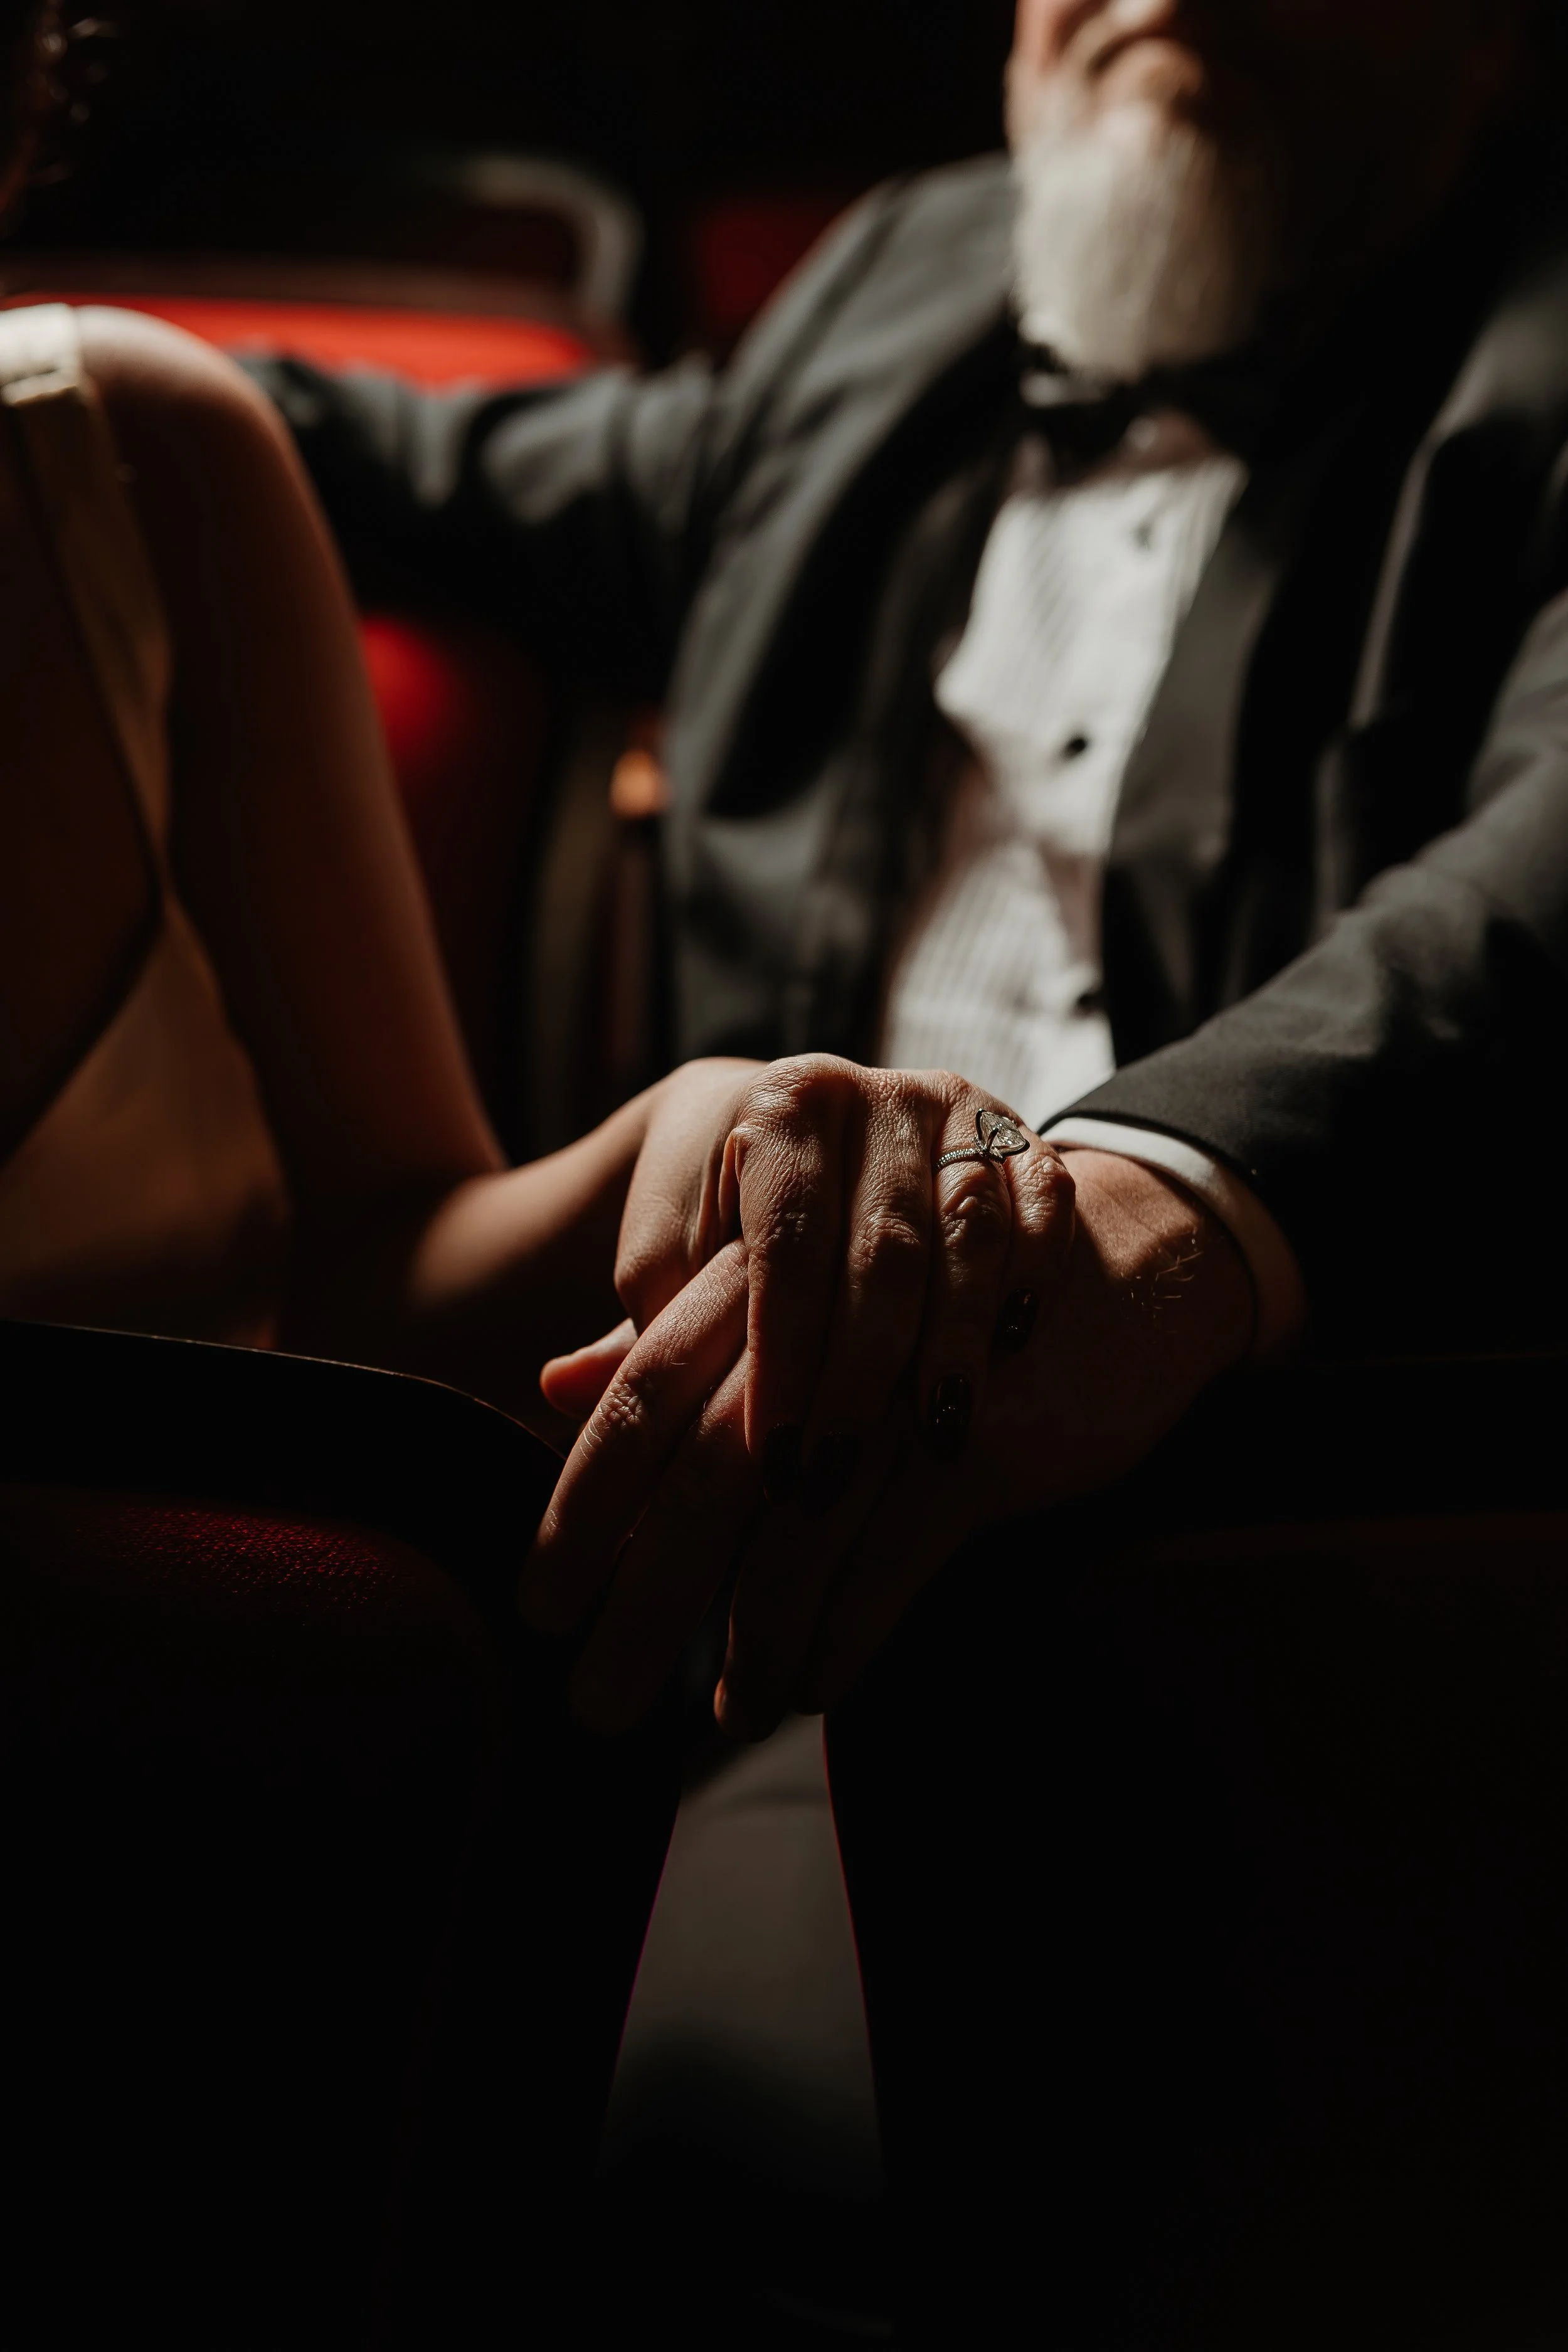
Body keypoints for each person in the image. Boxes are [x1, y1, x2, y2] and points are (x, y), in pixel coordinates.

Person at [253, 3, 1568, 2338]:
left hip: (1218, 1567)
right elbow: (413, 469)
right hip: (687, 1529)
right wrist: (97, 402)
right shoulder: (899, 289)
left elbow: (1530, 888)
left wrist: (1162, 1184)